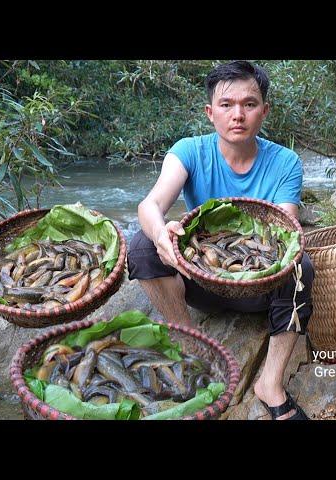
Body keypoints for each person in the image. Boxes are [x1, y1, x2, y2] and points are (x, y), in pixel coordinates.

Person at [127, 60, 314, 420]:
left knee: (301, 265)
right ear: (210, 113)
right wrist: (162, 235)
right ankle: (192, 348)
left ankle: (269, 384)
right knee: (142, 246)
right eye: (226, 105)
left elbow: (285, 228)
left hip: (260, 286)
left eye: (249, 104)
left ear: (264, 111)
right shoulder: (189, 151)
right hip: (202, 283)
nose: (238, 115)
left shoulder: (286, 162)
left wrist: (266, 263)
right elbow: (150, 204)